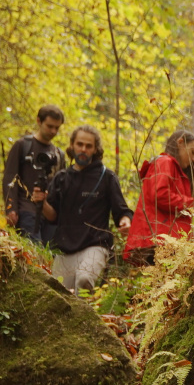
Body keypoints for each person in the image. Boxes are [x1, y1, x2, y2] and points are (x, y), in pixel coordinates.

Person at [40, 126, 132, 295]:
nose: (83, 149)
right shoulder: (61, 178)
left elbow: (122, 210)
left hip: (95, 245)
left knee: (83, 280)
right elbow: (52, 217)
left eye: (88, 146)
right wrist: (42, 202)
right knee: (59, 297)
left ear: (95, 149)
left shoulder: (107, 177)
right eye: (79, 144)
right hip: (64, 249)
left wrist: (125, 221)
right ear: (72, 146)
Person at [125, 129, 194, 265]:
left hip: (163, 241)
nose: (193, 159)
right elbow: (161, 196)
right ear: (180, 143)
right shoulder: (165, 163)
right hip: (159, 241)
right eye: (192, 152)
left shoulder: (172, 168)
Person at [2, 105, 66, 244]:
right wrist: (11, 209)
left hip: (50, 217)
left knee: (50, 258)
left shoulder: (59, 155)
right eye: (49, 126)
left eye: (57, 128)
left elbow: (62, 188)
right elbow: (10, 177)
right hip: (26, 211)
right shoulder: (23, 145)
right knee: (34, 253)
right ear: (39, 121)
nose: (53, 131)